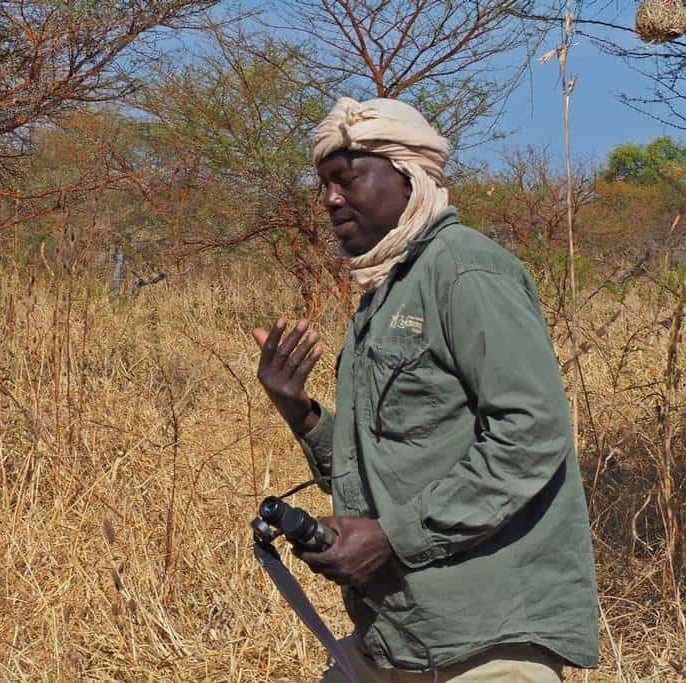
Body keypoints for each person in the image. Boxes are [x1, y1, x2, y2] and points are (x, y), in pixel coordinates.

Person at [252, 97, 599, 682]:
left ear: (409, 175)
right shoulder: (385, 294)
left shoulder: (466, 271)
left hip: (485, 639)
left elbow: (532, 433)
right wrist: (301, 412)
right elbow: (385, 460)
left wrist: (395, 535)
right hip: (401, 634)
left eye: (347, 179)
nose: (331, 199)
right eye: (324, 185)